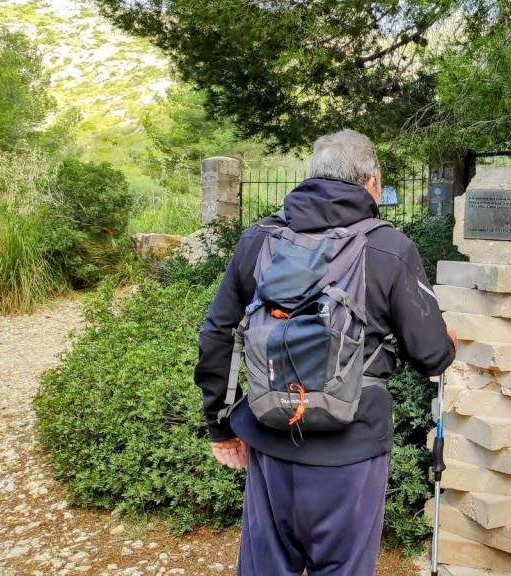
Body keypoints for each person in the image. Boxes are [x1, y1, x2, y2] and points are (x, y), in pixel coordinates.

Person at [194, 129, 456, 575]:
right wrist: (444, 341)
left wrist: (220, 426)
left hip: (270, 433)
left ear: (311, 177)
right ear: (372, 181)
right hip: (351, 446)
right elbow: (431, 357)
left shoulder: (261, 238)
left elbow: (218, 332)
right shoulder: (388, 247)